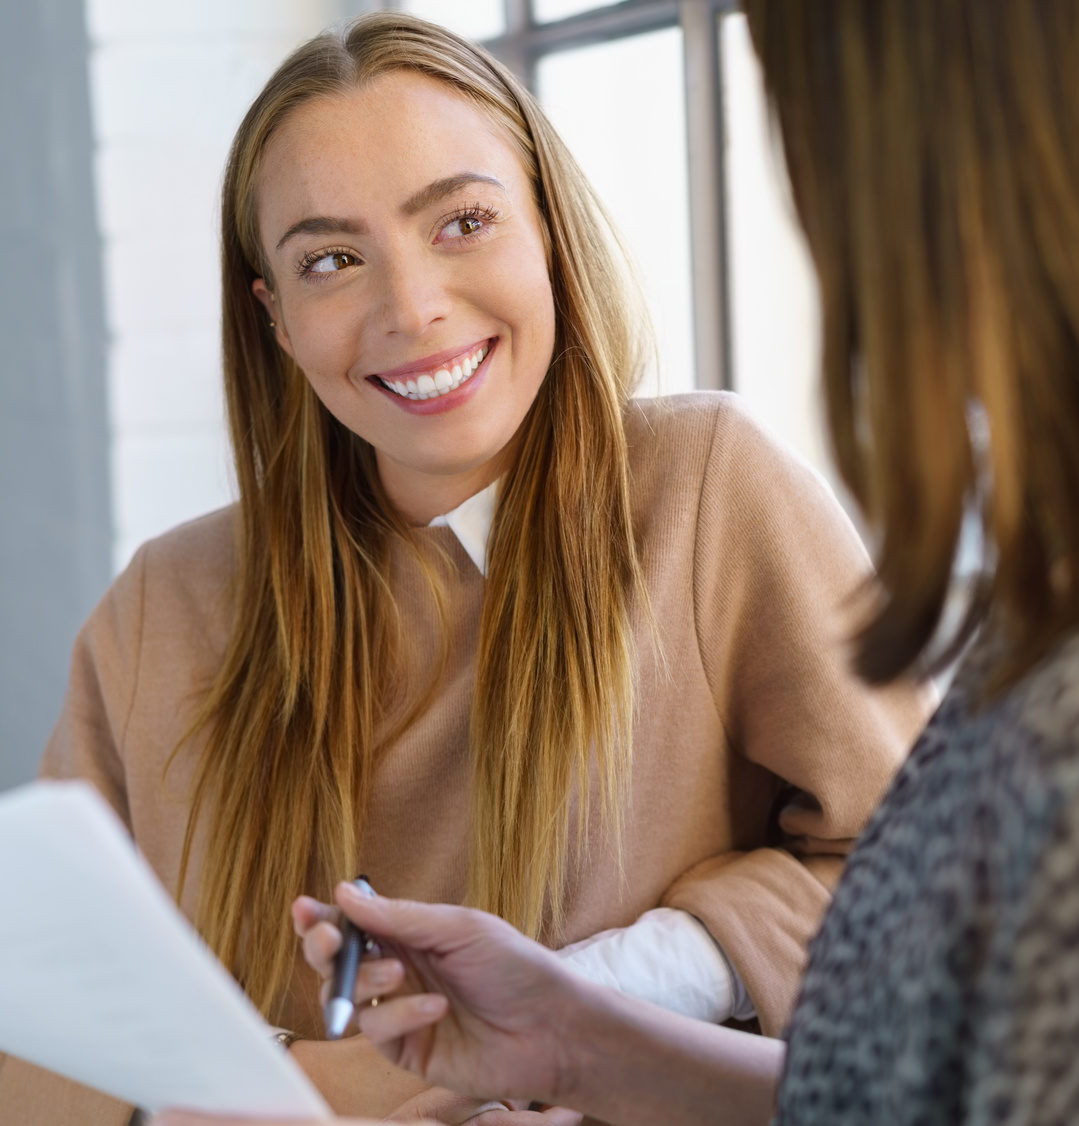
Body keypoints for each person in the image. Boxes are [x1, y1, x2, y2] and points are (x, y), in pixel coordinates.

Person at [147, 0, 1079, 1123]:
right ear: (275, 319)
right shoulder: (165, 602)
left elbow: (901, 910)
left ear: (549, 226)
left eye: (460, 223)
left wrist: (643, 969)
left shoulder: (709, 485)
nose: (411, 307)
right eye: (333, 258)